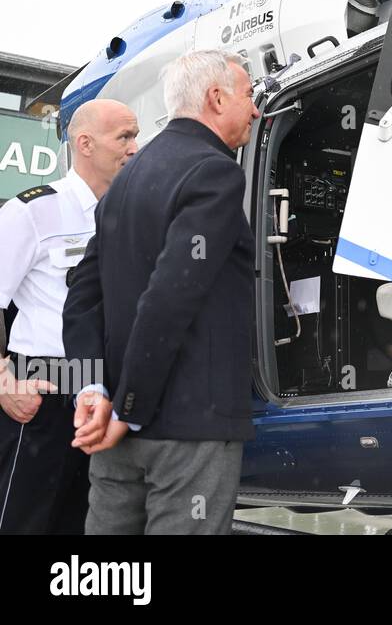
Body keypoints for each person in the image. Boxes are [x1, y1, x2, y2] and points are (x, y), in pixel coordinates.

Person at [63, 50, 260, 535]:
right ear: (217, 98)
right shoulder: (214, 172)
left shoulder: (125, 178)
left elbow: (81, 297)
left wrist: (92, 390)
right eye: (250, 96)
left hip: (112, 430)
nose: (256, 110)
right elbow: (171, 295)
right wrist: (130, 407)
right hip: (185, 432)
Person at [0, 100, 138, 533]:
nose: (136, 147)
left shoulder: (135, 212)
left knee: (88, 526)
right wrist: (3, 380)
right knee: (24, 521)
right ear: (85, 143)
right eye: (125, 137)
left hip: (107, 393)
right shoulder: (31, 210)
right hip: (42, 388)